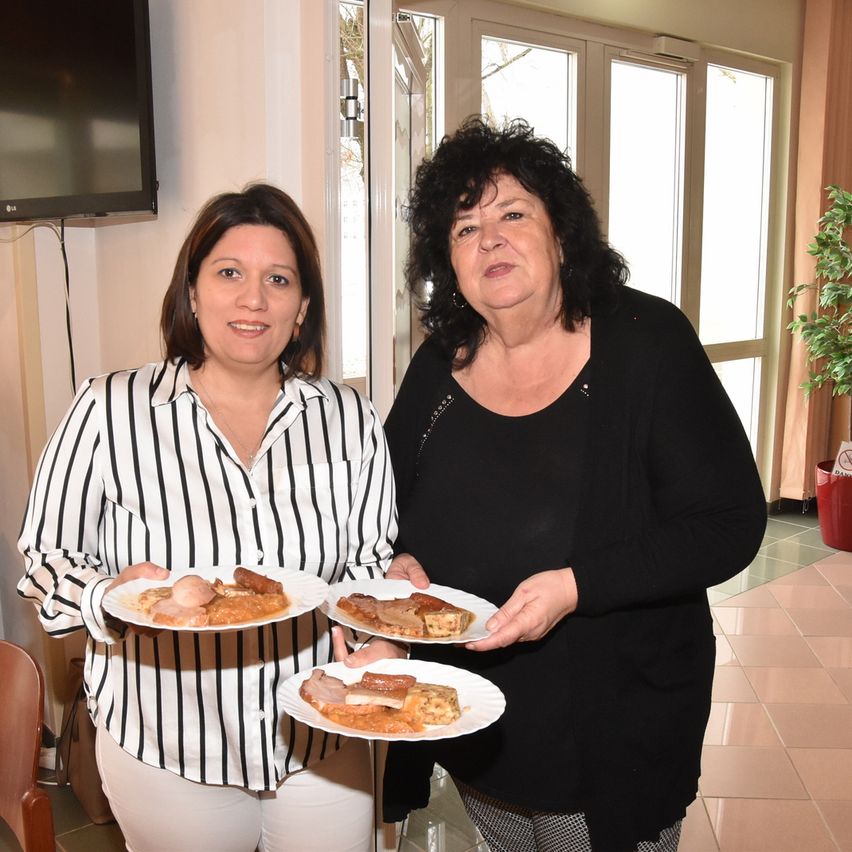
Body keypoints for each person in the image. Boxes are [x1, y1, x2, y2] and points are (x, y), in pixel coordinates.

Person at [378, 118, 767, 852]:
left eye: (512, 214)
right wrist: (397, 565)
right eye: (464, 227)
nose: (488, 238)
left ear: (562, 235)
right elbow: (387, 505)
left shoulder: (646, 344)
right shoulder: (438, 363)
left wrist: (577, 585)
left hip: (612, 733)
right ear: (447, 262)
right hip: (481, 728)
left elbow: (730, 521)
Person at [17, 183, 399, 852]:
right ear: (192, 292)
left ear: (302, 306)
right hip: (169, 749)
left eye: (278, 279)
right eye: (229, 273)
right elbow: (46, 555)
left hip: (321, 738)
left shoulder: (350, 419)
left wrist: (377, 636)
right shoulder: (109, 409)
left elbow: (367, 566)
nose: (254, 299)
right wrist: (107, 596)